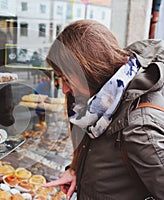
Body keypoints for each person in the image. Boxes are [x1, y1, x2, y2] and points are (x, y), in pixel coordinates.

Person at [42, 19, 164, 200]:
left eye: (66, 79)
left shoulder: (140, 127)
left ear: (90, 70)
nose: (65, 90)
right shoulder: (101, 107)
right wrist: (75, 171)